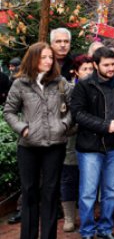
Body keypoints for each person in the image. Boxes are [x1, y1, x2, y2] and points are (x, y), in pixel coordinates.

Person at [4, 42, 72, 239]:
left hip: (55, 145)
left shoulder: (61, 82)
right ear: (33, 58)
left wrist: (64, 126)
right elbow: (9, 111)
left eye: (50, 57)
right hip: (28, 146)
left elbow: (74, 108)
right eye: (44, 57)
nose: (49, 61)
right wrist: (22, 128)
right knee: (29, 192)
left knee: (50, 193)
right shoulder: (20, 83)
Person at [71, 47, 114, 239]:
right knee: (88, 193)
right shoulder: (84, 85)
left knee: (111, 191)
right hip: (90, 147)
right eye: (106, 65)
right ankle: (88, 231)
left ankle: (105, 228)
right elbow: (78, 114)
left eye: (113, 64)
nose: (111, 68)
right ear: (96, 65)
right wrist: (106, 126)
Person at [60, 54, 94, 232]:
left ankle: (87, 215)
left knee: (88, 180)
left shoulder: (96, 88)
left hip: (91, 142)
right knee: (69, 178)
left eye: (91, 69)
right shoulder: (69, 90)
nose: (88, 73)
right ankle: (69, 217)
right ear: (76, 72)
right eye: (84, 69)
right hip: (71, 141)